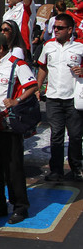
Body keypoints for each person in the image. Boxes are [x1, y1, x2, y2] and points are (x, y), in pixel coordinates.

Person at [0, 32, 37, 224]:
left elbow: (33, 86)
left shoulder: (17, 64)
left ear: (1, 48)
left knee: (13, 168)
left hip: (9, 124)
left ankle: (20, 206)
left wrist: (16, 100)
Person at [36, 13, 83, 182]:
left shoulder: (80, 47)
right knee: (56, 135)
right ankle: (56, 171)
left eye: (60, 28)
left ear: (70, 30)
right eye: (55, 27)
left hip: (73, 99)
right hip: (53, 98)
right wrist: (37, 87)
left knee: (76, 135)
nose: (56, 30)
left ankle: (76, 167)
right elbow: (42, 67)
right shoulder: (48, 46)